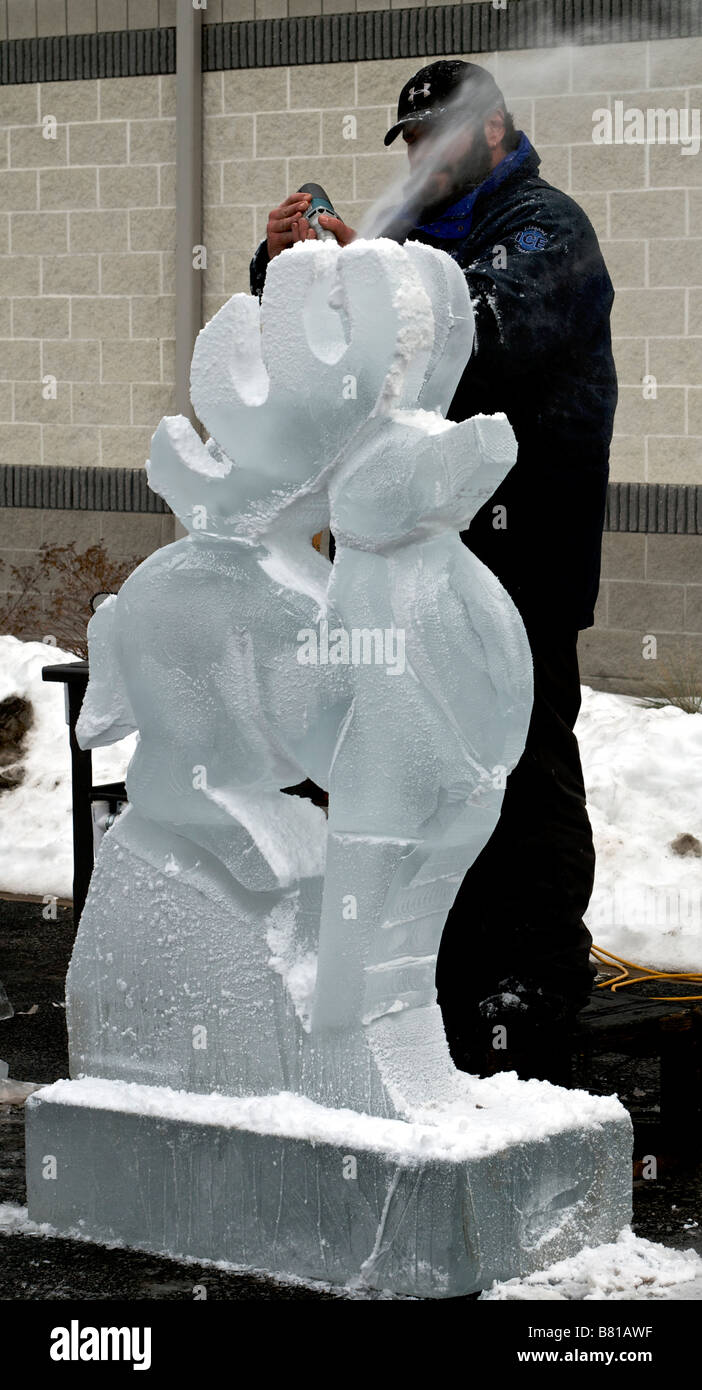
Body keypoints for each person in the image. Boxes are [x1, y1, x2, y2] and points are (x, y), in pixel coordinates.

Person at [250, 60, 618, 1088]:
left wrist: (360, 262)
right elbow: (338, 352)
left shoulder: (546, 230)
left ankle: (534, 975)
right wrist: (286, 267)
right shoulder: (417, 238)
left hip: (520, 557)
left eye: (436, 138)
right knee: (405, 750)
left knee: (520, 757)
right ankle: (440, 959)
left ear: (493, 132)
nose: (420, 160)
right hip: (404, 559)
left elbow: (478, 340)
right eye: (408, 145)